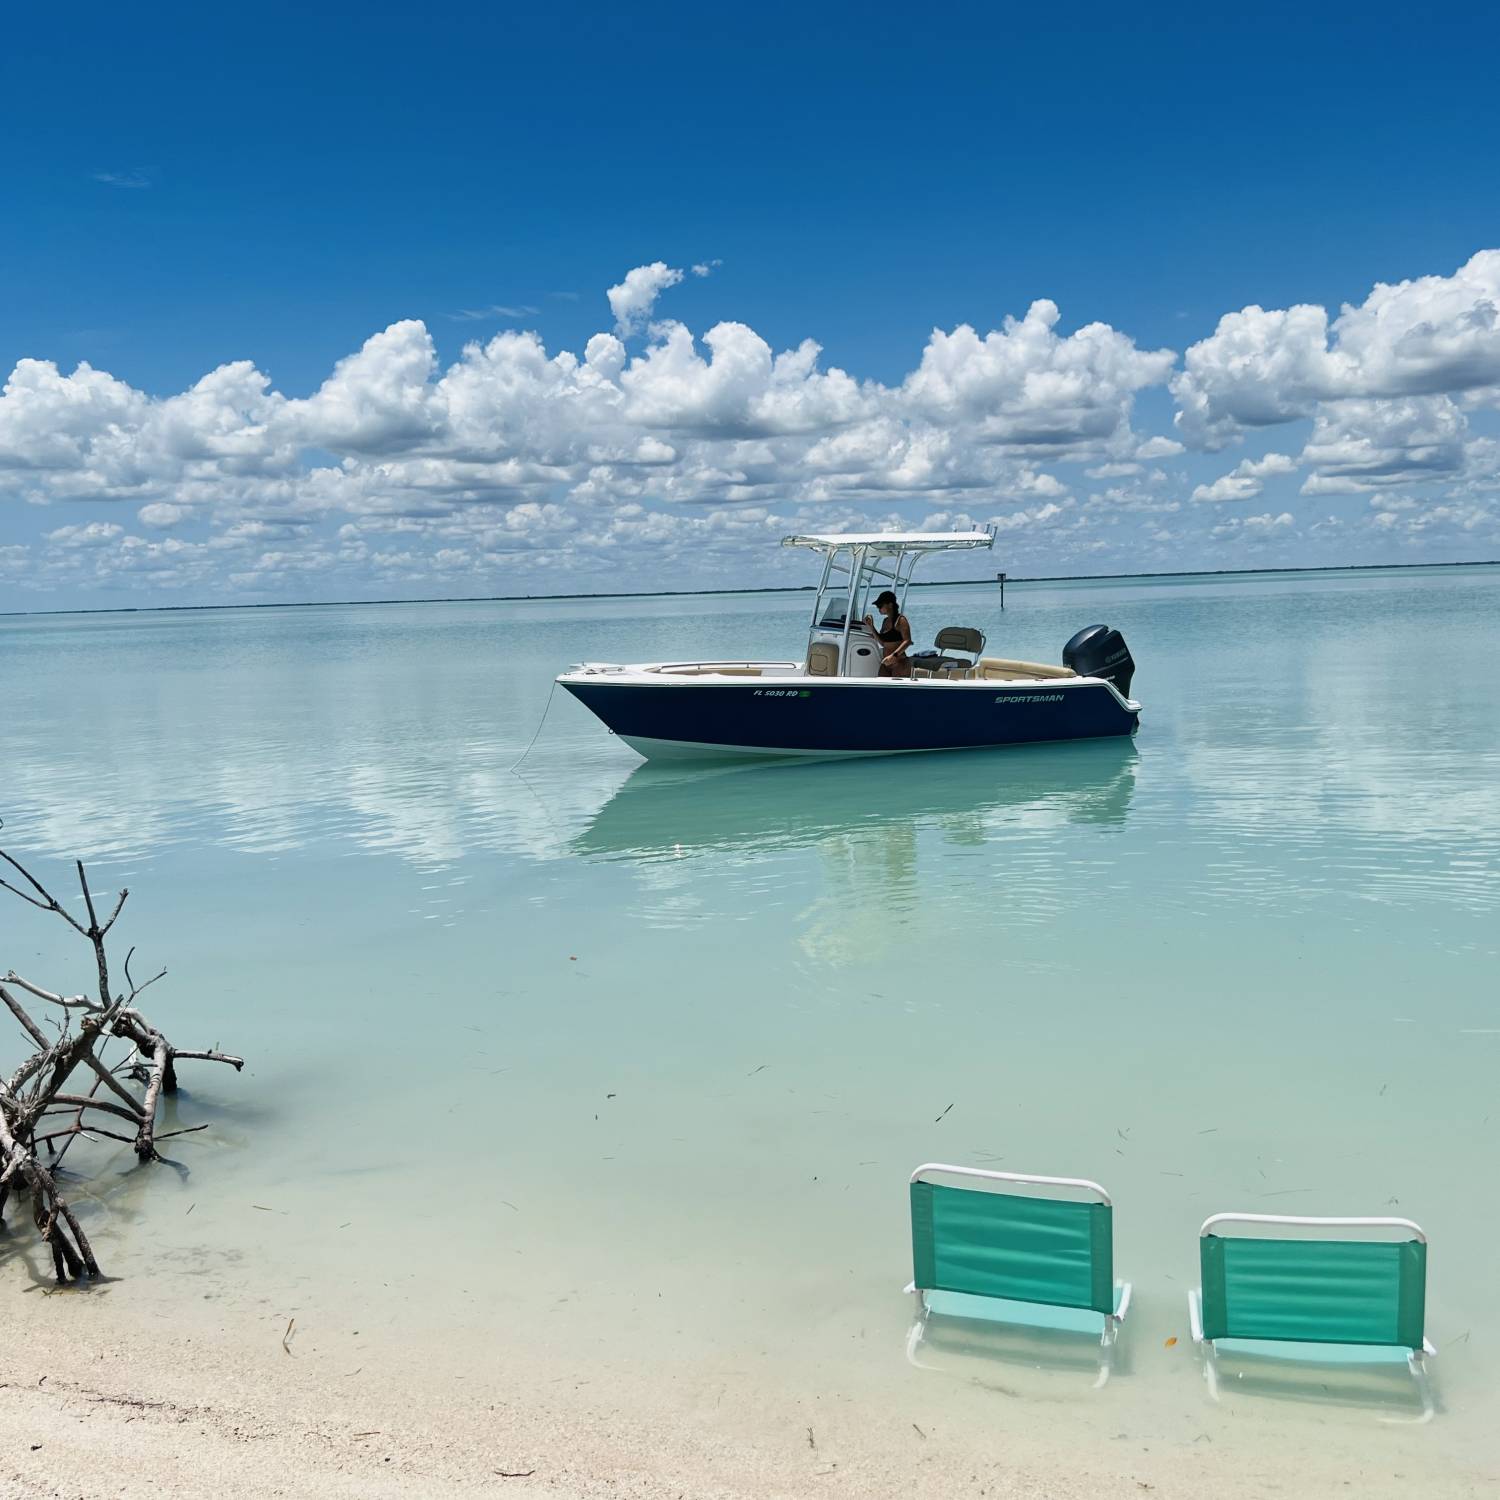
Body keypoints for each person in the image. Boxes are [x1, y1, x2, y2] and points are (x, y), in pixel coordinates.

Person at [864, 590, 912, 677]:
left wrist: (893, 656)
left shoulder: (901, 620)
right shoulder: (885, 621)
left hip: (899, 662)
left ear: (890, 604)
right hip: (886, 663)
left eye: (880, 605)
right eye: (877, 606)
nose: (879, 608)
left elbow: (907, 641)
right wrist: (871, 626)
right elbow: (883, 643)